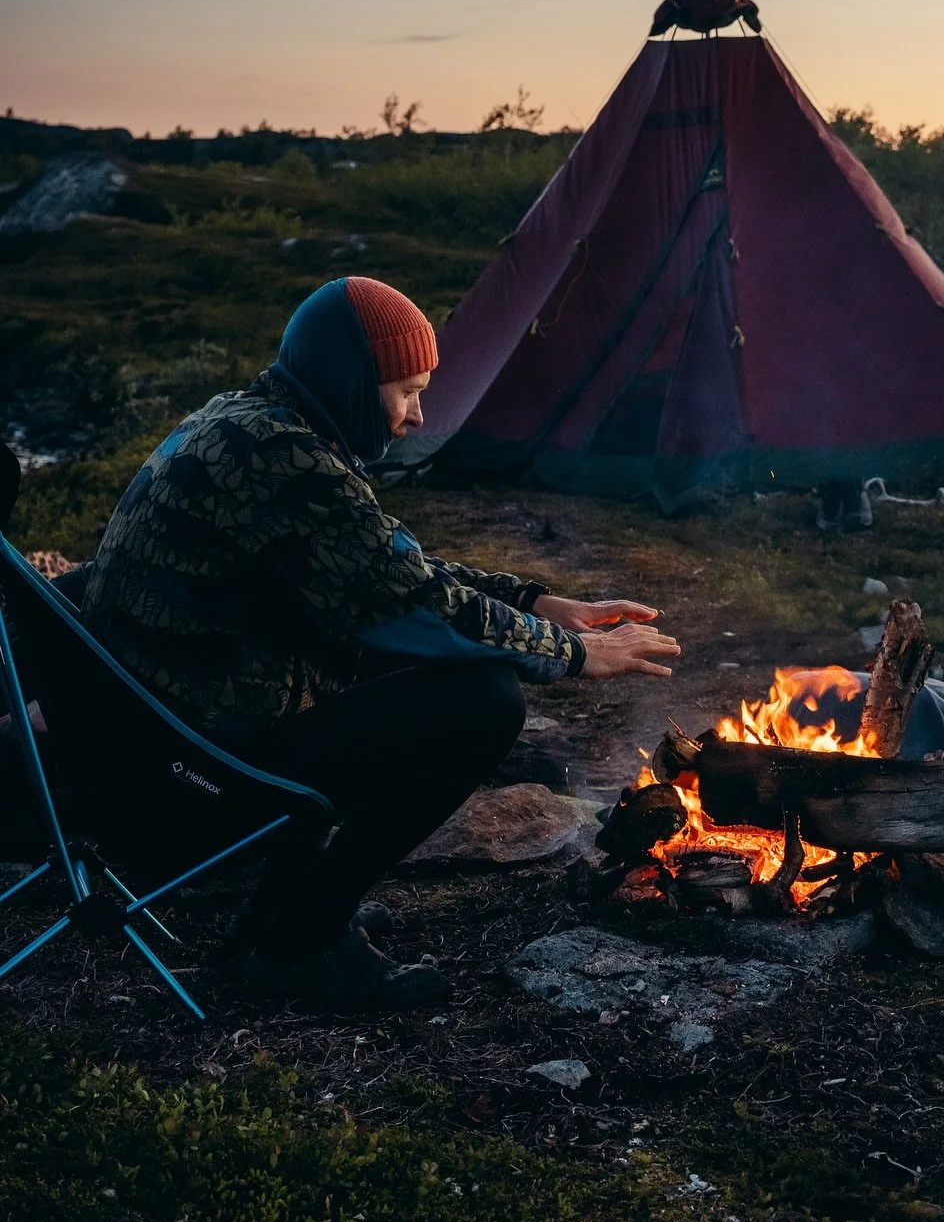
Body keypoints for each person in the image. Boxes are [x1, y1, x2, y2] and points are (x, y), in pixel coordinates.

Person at [80, 277, 680, 1008]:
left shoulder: (247, 423)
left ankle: (281, 915)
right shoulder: (292, 463)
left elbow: (381, 570)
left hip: (150, 735)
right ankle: (302, 944)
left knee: (418, 655)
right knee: (481, 700)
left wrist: (539, 601)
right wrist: (573, 655)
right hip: (187, 777)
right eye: (404, 392)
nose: (417, 416)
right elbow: (417, 602)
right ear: (350, 382)